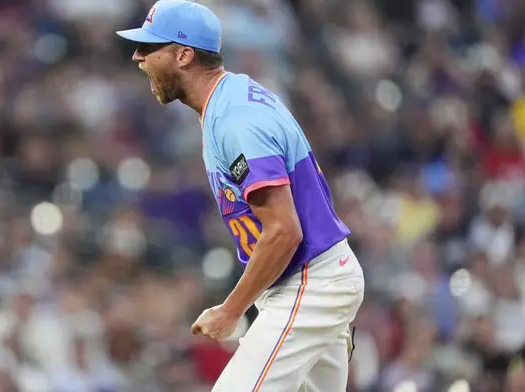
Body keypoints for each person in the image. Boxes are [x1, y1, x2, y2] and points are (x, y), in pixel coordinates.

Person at [116, 1, 365, 391]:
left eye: (150, 48)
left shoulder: (236, 119)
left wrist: (231, 311)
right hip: (314, 278)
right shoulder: (229, 100)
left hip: (308, 281)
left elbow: (284, 231)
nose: (138, 56)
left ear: (184, 54)